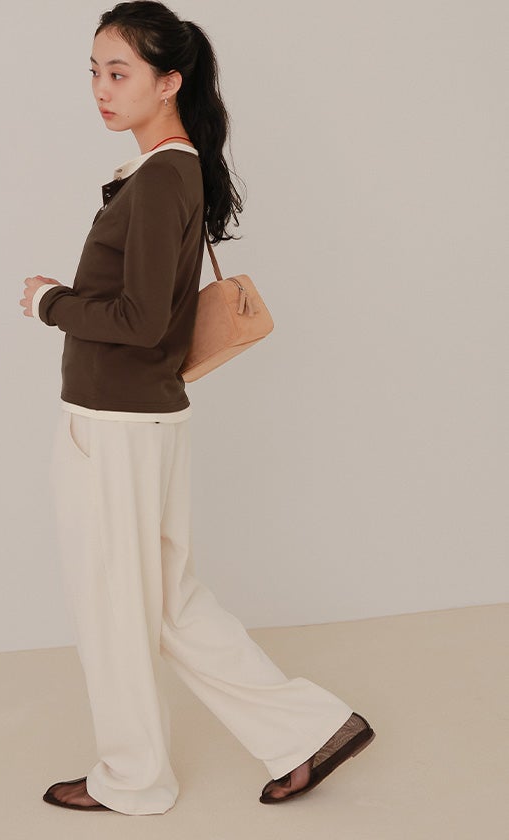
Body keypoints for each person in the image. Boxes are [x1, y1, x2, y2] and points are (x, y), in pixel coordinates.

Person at [19, 0, 374, 816]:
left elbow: (143, 321)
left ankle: (134, 778)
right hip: (144, 420)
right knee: (168, 603)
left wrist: (49, 302)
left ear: (169, 82)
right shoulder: (167, 172)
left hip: (114, 424)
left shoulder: (160, 178)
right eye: (95, 72)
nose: (102, 90)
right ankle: (313, 730)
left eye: (120, 73)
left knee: (117, 609)